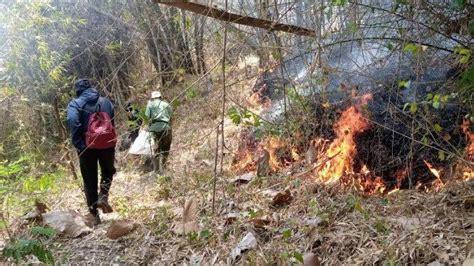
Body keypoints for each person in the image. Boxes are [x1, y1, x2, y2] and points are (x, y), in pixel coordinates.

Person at [66, 79, 116, 226]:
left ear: (78, 91)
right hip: (107, 144)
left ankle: (94, 215)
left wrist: (79, 145)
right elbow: (112, 121)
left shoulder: (75, 104)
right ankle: (103, 195)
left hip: (87, 147)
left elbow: (73, 122)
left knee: (89, 180)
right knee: (108, 171)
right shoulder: (106, 101)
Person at [145, 90, 173, 174]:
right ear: (160, 97)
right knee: (166, 148)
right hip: (166, 127)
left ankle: (156, 170)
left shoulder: (150, 105)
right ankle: (164, 168)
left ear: (152, 98)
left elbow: (147, 117)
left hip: (154, 129)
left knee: (156, 150)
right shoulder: (166, 104)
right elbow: (171, 116)